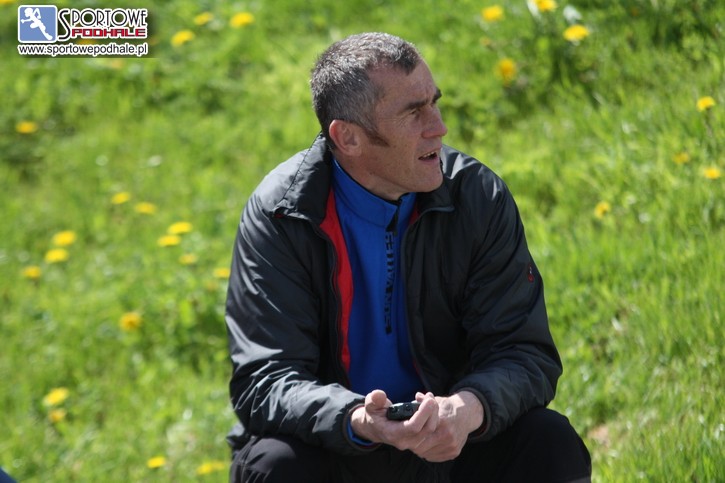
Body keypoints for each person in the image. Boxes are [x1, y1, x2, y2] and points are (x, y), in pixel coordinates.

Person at [224, 32, 591, 482]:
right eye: (413, 113)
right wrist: (358, 419)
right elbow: (265, 380)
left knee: (549, 441)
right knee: (273, 464)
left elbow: (523, 352)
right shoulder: (282, 214)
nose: (438, 127)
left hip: (453, 443)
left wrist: (468, 408)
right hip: (341, 446)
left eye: (434, 103)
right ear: (348, 137)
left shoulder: (477, 196)